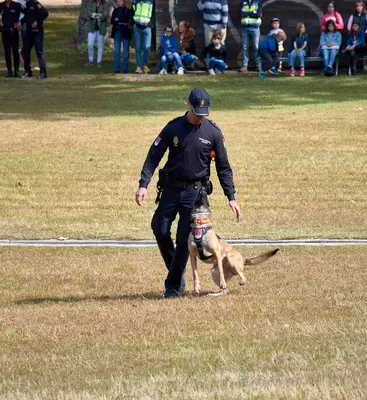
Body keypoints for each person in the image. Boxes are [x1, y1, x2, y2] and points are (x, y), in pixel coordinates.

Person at [135, 87, 241, 298]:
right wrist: (143, 184)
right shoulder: (173, 128)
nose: (200, 116)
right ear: (188, 104)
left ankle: (173, 285)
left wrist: (231, 196)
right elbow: (153, 155)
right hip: (171, 188)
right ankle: (177, 268)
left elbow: (223, 167)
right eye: (196, 112)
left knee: (184, 237)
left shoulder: (213, 132)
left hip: (195, 193)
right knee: (159, 228)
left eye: (204, 113)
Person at [0, 0, 23, 78]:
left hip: (14, 31)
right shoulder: (1, 5)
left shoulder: (16, 5)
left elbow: (26, 12)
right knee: (7, 51)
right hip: (5, 31)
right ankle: (9, 71)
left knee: (15, 51)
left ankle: (16, 71)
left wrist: (20, 22)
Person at [21, 0, 48, 79]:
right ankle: (27, 71)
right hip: (29, 31)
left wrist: (37, 21)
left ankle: (43, 73)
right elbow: (27, 16)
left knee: (39, 51)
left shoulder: (36, 4)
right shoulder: (27, 5)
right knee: (25, 50)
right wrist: (20, 22)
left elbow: (45, 13)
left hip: (37, 31)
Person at [346, 1, 367, 72]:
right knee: (354, 50)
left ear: (363, 7)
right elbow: (349, 25)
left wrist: (365, 32)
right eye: (357, 6)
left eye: (360, 6)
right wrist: (352, 31)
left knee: (362, 49)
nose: (358, 8)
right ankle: (354, 66)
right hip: (354, 35)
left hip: (363, 36)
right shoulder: (352, 16)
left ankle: (364, 65)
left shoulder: (366, 15)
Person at [239, 0, 262, 72]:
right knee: (245, 47)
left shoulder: (258, 2)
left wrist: (247, 13)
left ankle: (258, 65)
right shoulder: (243, 2)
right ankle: (245, 66)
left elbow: (258, 14)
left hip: (255, 27)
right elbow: (241, 13)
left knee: (256, 47)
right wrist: (252, 13)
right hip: (245, 27)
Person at [110, 0, 131, 73]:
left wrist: (118, 19)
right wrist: (119, 21)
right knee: (117, 51)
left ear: (123, 2)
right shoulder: (115, 11)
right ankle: (116, 69)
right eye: (117, 1)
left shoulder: (127, 10)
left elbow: (127, 19)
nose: (119, 3)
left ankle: (125, 68)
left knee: (126, 51)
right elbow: (112, 20)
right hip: (117, 32)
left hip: (125, 32)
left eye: (120, 1)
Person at [132, 0, 152, 74]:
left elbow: (153, 13)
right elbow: (132, 12)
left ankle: (145, 64)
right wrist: (133, 23)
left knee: (147, 47)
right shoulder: (135, 1)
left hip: (147, 28)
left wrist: (151, 23)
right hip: (137, 28)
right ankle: (139, 66)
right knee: (138, 48)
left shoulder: (151, 1)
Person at [86, 0, 108, 67]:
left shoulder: (105, 4)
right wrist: (97, 14)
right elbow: (88, 13)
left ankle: (99, 62)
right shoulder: (91, 3)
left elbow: (105, 15)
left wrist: (94, 15)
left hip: (100, 28)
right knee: (90, 45)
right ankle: (90, 60)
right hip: (91, 27)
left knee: (100, 45)